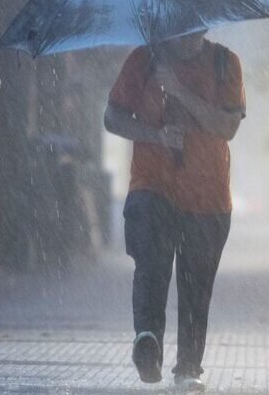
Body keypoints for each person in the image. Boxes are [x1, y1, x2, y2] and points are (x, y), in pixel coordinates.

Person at [104, 30, 245, 392]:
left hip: (208, 196)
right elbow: (113, 118)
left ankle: (188, 367)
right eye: (179, 25)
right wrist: (157, 135)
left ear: (206, 26)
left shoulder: (224, 63)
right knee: (151, 261)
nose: (187, 34)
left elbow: (227, 126)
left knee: (196, 284)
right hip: (153, 186)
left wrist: (180, 90)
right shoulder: (144, 59)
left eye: (194, 25)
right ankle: (147, 340)